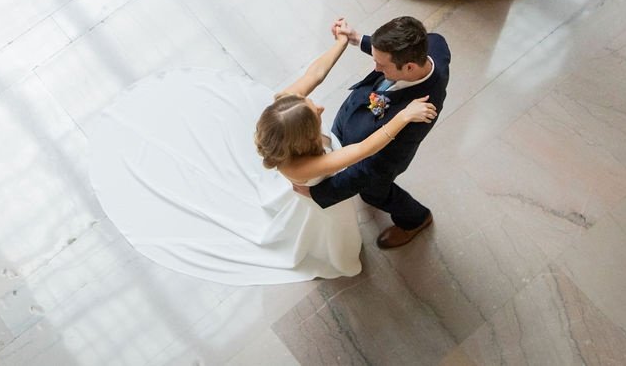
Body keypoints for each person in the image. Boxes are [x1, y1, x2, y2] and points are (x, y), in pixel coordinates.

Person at [85, 28, 436, 285]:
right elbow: (362, 150)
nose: (319, 105)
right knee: (329, 229)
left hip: (299, 187)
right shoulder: (307, 165)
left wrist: (341, 43)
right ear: (305, 138)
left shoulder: (281, 110)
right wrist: (403, 118)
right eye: (315, 112)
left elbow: (314, 74)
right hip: (319, 204)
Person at [293, 16, 450, 249]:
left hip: (374, 155)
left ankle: (415, 219)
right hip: (356, 113)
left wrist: (321, 193)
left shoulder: (418, 115)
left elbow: (373, 168)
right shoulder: (433, 44)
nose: (376, 68)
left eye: (381, 65)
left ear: (409, 67)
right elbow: (422, 48)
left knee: (373, 193)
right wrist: (358, 39)